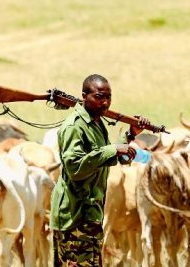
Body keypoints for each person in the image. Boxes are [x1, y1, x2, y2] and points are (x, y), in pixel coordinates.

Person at [50, 74, 150, 266]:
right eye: (99, 97)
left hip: (89, 215)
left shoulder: (96, 122)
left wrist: (130, 135)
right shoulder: (75, 126)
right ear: (84, 95)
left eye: (108, 97)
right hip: (74, 217)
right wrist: (112, 149)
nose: (105, 102)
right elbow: (75, 167)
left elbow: (100, 157)